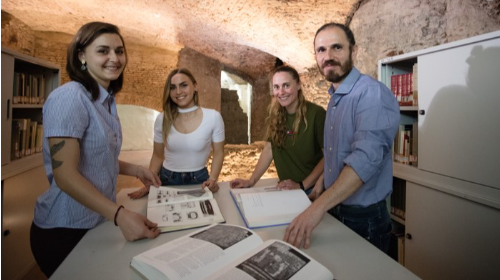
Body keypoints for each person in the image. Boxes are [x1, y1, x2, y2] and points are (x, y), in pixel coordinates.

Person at [30, 22, 162, 278]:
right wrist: (120, 216)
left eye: (119, 51)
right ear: (81, 55)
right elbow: (65, 175)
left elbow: (98, 156)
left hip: (95, 221)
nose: (114, 58)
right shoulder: (70, 97)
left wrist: (136, 169)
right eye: (103, 51)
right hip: (64, 229)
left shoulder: (106, 101)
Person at [284, 22, 400, 253]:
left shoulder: (370, 94)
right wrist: (319, 185)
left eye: (337, 47)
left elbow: (364, 161)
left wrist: (316, 208)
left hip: (363, 218)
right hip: (335, 206)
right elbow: (334, 153)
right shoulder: (336, 98)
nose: (328, 57)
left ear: (353, 51)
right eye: (321, 50)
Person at [230, 65, 325, 199]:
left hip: (311, 191)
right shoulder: (276, 115)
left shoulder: (316, 114)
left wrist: (302, 185)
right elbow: (269, 149)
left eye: (286, 85)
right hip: (286, 189)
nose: (281, 92)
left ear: (298, 85)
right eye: (276, 87)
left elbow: (329, 157)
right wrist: (251, 181)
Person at [128, 68, 225, 199]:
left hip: (200, 179)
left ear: (195, 86)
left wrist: (213, 179)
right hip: (167, 178)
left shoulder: (213, 117)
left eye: (184, 85)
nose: (178, 92)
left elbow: (219, 152)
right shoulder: (162, 119)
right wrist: (150, 181)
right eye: (173, 88)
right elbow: (157, 155)